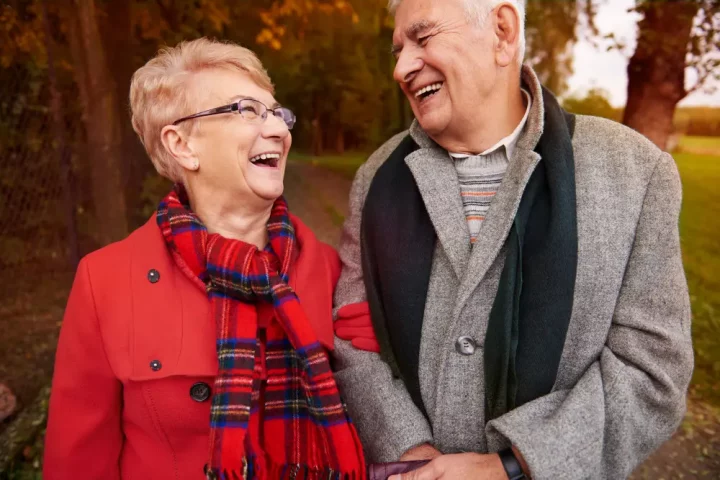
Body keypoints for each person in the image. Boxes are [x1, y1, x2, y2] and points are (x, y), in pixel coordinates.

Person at [331, 0, 694, 478]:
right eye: (397, 49)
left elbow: (651, 371)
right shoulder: (377, 177)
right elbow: (350, 339)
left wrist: (512, 465)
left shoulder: (635, 172)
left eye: (422, 38)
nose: (401, 68)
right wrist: (410, 453)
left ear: (502, 31)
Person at [43, 38, 365, 480]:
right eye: (247, 110)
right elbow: (78, 464)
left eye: (276, 112)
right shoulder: (106, 282)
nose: (277, 130)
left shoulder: (334, 270)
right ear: (182, 145)